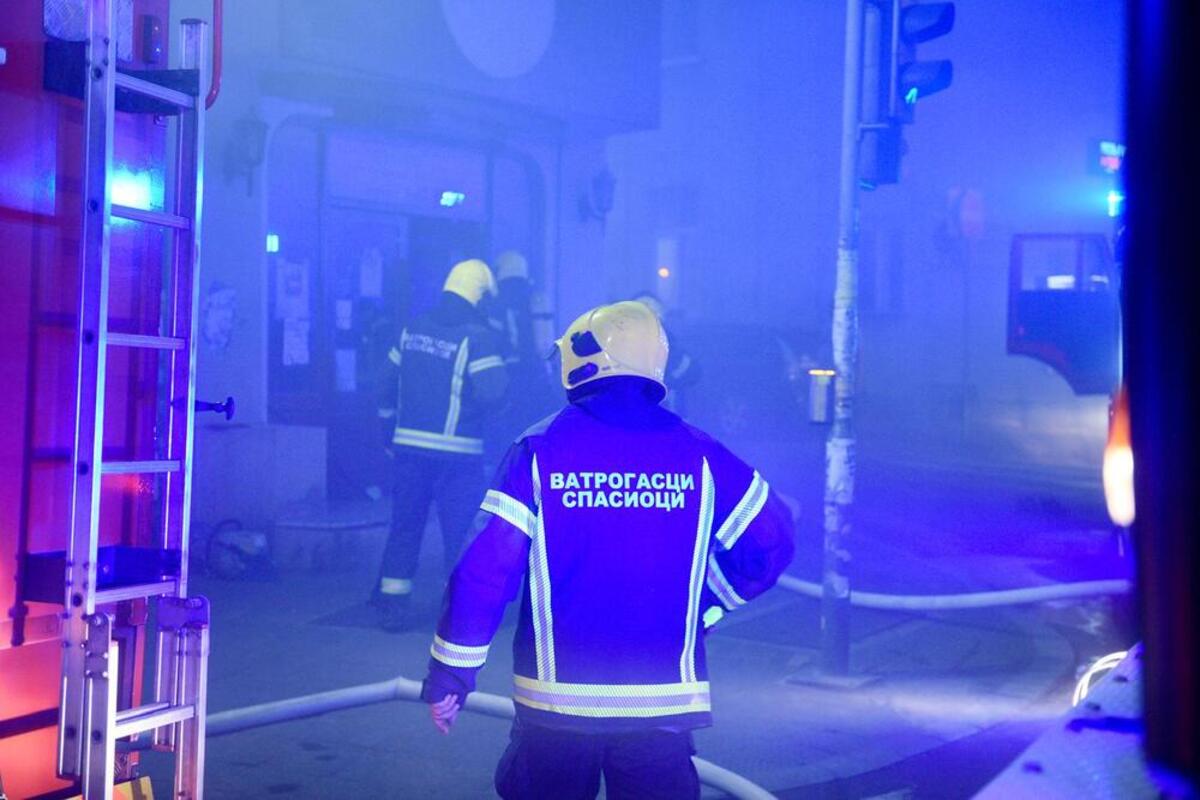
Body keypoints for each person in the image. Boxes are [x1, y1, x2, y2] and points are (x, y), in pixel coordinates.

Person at [419, 301, 795, 798]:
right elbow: (773, 542)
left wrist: (451, 673)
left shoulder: (539, 448)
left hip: (557, 705)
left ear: (582, 363)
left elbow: (486, 571)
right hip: (661, 706)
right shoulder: (700, 452)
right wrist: (706, 604)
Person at [374, 259, 508, 631]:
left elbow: (383, 385)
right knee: (459, 532)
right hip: (457, 455)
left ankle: (393, 605)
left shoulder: (412, 329)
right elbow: (495, 393)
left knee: (405, 526)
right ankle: (460, 612)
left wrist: (388, 429)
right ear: (479, 296)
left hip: (408, 450)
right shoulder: (478, 336)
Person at [632, 290, 702, 414]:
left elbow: (693, 373)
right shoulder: (613, 347)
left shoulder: (676, 351)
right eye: (641, 310)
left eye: (652, 310)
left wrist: (670, 381)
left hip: (665, 416)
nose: (647, 315)